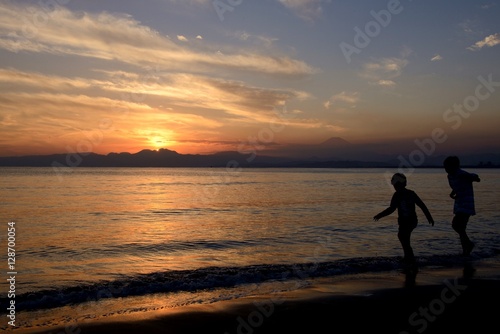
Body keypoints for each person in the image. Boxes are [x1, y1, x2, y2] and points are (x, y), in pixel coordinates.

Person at [373, 173, 434, 264]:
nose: (395, 186)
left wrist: (429, 217)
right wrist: (380, 215)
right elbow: (392, 209)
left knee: (403, 237)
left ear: (402, 184)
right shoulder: (398, 195)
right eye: (394, 185)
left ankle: (409, 258)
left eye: (396, 184)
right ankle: (409, 257)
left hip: (411, 221)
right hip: (404, 222)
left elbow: (421, 205)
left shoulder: (410, 194)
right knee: (404, 238)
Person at [443, 156, 480, 256]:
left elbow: (471, 176)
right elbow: (458, 186)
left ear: (454, 166)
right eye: (445, 167)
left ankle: (468, 245)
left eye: (447, 167)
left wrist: (475, 178)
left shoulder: (461, 174)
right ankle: (466, 250)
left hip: (466, 204)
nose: (446, 169)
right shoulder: (451, 176)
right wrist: (453, 192)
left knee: (457, 225)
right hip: (459, 204)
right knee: (460, 227)